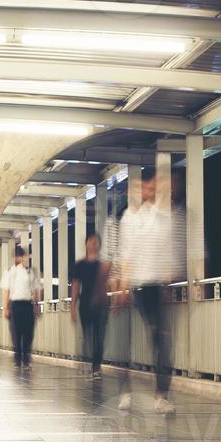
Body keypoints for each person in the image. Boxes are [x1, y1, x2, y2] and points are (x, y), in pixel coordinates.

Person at [115, 166, 183, 414]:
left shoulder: (166, 217)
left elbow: (169, 254)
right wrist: (123, 285)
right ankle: (125, 392)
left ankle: (161, 396)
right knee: (127, 343)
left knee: (162, 341)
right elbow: (126, 255)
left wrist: (170, 278)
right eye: (149, 186)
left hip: (156, 287)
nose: (151, 190)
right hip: (136, 287)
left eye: (155, 186)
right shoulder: (130, 218)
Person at [70, 231, 111, 380]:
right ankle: (89, 364)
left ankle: (96, 367)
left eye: (96, 241)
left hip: (101, 304)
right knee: (88, 335)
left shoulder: (103, 265)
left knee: (99, 336)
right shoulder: (79, 265)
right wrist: (72, 306)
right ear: (86, 244)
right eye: (91, 241)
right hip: (85, 303)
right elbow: (75, 285)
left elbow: (109, 283)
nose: (94, 243)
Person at [0, 245, 41, 369]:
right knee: (16, 333)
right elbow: (6, 291)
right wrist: (6, 308)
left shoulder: (31, 271)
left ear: (25, 257)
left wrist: (37, 306)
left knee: (29, 333)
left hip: (28, 305)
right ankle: (18, 358)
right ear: (15, 257)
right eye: (18, 256)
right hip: (14, 305)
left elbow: (37, 289)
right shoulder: (10, 271)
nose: (20, 258)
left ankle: (26, 360)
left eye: (22, 256)